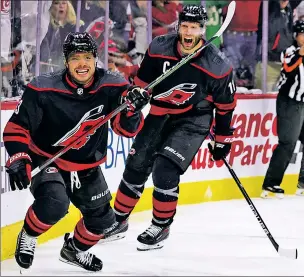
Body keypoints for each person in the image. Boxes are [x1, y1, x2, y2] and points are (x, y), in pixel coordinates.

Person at [3, 32, 149, 271]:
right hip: (48, 157)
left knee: (103, 222)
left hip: (86, 164)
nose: (82, 64)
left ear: (95, 59)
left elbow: (125, 130)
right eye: (75, 58)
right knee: (54, 204)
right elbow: (16, 127)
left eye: (87, 57)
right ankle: (29, 235)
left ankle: (74, 251)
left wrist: (132, 111)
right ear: (66, 61)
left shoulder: (112, 85)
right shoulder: (43, 89)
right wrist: (19, 156)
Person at [104, 5, 237, 251]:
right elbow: (142, 85)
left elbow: (225, 107)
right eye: (184, 26)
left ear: (202, 29)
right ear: (178, 26)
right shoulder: (159, 47)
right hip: (159, 113)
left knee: (165, 168)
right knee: (136, 165)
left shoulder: (217, 66)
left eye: (194, 27)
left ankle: (161, 225)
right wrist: (136, 96)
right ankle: (117, 220)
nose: (188, 32)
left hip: (193, 119)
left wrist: (222, 140)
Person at [261, 20, 304, 199]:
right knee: (288, 142)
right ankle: (271, 183)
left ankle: (302, 182)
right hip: (290, 102)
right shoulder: (290, 51)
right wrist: (302, 53)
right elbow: (287, 68)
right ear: (297, 35)